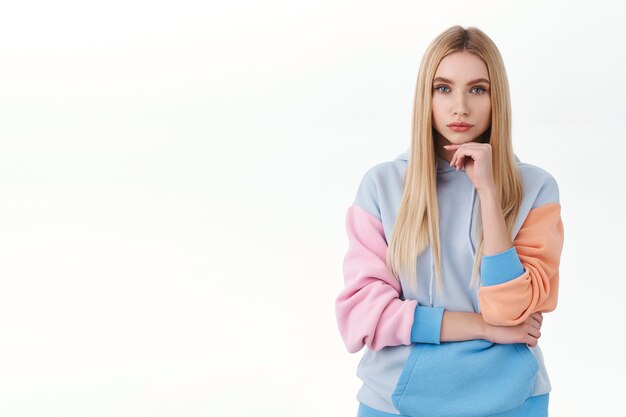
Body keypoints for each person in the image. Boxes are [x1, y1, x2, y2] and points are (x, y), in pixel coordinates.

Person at [335, 25, 564, 417]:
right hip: (396, 402)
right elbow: (363, 317)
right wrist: (483, 328)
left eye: (478, 89)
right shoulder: (383, 185)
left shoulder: (537, 188)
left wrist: (490, 193)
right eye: (443, 88)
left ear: (497, 100)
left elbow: (510, 312)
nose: (460, 106)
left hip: (511, 400)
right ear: (425, 96)